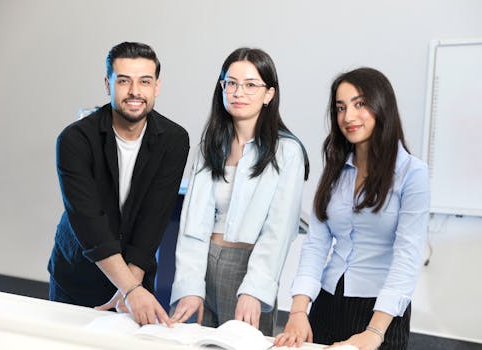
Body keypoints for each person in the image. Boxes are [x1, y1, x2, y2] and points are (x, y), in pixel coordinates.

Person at [274, 68, 430, 349]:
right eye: (340, 108)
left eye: (360, 104)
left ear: (382, 106)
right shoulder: (336, 168)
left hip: (381, 313)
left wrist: (374, 332)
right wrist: (298, 311)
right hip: (328, 301)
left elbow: (407, 256)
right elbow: (316, 245)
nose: (348, 117)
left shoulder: (412, 173)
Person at [169, 48, 309, 336]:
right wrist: (190, 285)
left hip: (247, 269)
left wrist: (254, 290)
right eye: (230, 83)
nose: (238, 92)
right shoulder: (209, 148)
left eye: (250, 85)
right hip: (202, 263)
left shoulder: (287, 152)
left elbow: (278, 230)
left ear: (269, 93)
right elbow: (191, 226)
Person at [47, 42, 189, 326]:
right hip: (79, 273)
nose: (135, 91)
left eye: (145, 81)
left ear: (156, 86)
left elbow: (154, 218)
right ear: (107, 83)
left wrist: (131, 287)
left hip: (136, 272)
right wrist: (131, 289)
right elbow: (89, 222)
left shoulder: (173, 140)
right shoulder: (75, 140)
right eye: (124, 80)